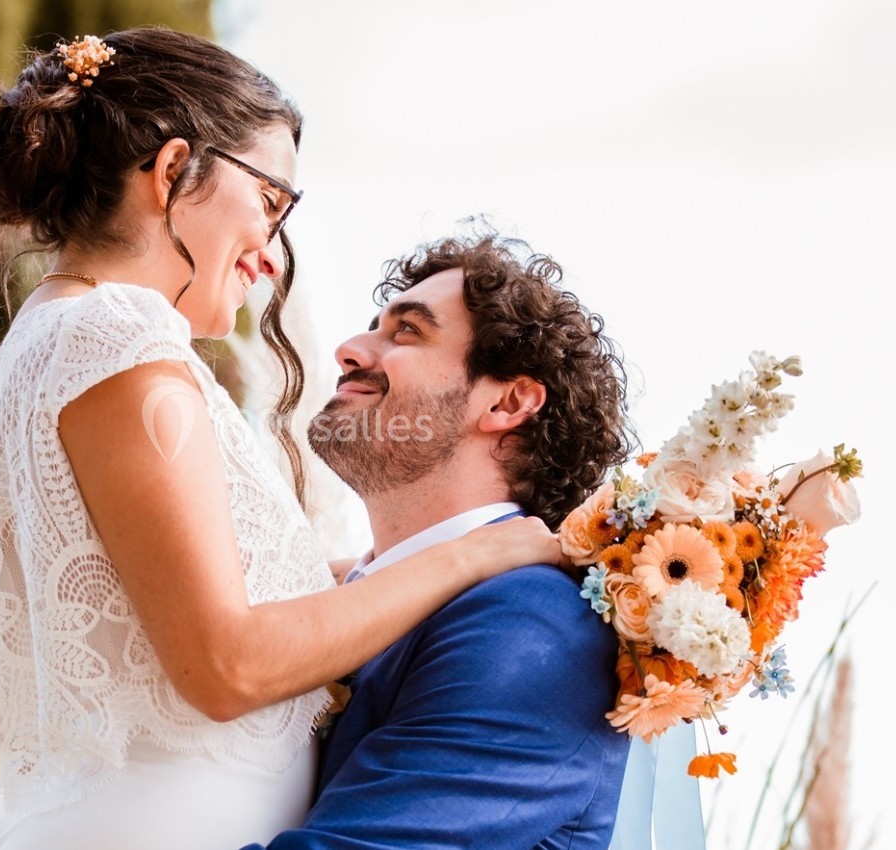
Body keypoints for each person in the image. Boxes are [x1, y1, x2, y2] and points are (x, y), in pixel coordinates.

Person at [0, 28, 560, 850]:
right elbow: (227, 665)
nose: (273, 252)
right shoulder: (120, 341)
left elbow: (193, 598)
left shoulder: (63, 339)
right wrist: (477, 555)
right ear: (172, 171)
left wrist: (392, 567)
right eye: (271, 201)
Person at [244, 230, 636, 849]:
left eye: (407, 331)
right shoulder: (348, 592)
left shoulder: (530, 625)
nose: (348, 349)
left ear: (508, 400)